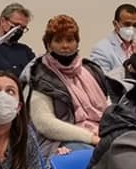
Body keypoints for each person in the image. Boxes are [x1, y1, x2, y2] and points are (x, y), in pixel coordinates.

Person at [28, 14, 111, 157]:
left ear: (77, 43)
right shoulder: (40, 76)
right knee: (96, 157)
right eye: (58, 40)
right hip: (59, 141)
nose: (65, 45)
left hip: (101, 134)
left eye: (70, 39)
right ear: (49, 45)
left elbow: (109, 108)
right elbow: (45, 124)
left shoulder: (92, 70)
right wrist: (91, 138)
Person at [89, 4, 136, 73]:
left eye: (135, 25)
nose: (131, 28)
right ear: (115, 24)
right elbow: (102, 80)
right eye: (127, 24)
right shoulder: (101, 50)